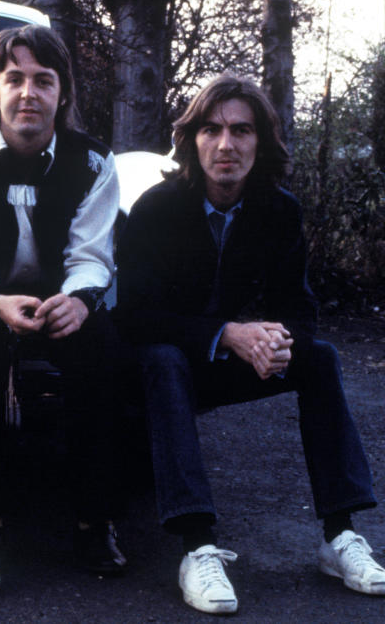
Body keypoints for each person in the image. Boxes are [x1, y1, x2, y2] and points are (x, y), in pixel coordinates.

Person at [116, 73, 384, 614]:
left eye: (241, 131)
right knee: (166, 359)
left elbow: (300, 307)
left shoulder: (278, 211)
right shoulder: (157, 208)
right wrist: (229, 334)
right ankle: (197, 547)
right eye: (212, 130)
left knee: (321, 358)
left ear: (260, 142)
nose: (226, 145)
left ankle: (340, 535)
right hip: (149, 364)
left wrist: (278, 340)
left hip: (216, 360)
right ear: (192, 139)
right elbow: (133, 317)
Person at [0, 24, 128, 591]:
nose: (28, 93)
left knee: (106, 355)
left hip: (64, 300)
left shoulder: (94, 162)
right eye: (14, 79)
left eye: (44, 80)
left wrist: (81, 300)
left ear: (63, 94)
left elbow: (92, 254)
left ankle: (94, 518)